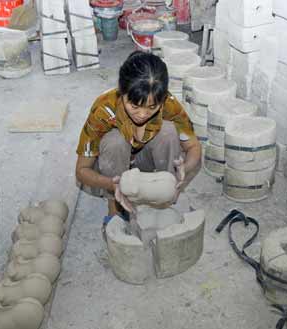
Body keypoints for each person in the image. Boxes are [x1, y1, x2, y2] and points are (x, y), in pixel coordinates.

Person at [75, 51, 202, 222]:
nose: (142, 114)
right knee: (115, 141)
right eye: (134, 106)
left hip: (146, 163)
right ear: (122, 92)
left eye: (152, 107)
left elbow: (194, 147)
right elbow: (81, 171)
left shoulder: (168, 104)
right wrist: (113, 185)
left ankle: (164, 195)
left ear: (162, 98)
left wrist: (184, 169)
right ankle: (115, 207)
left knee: (168, 131)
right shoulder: (104, 110)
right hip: (112, 170)